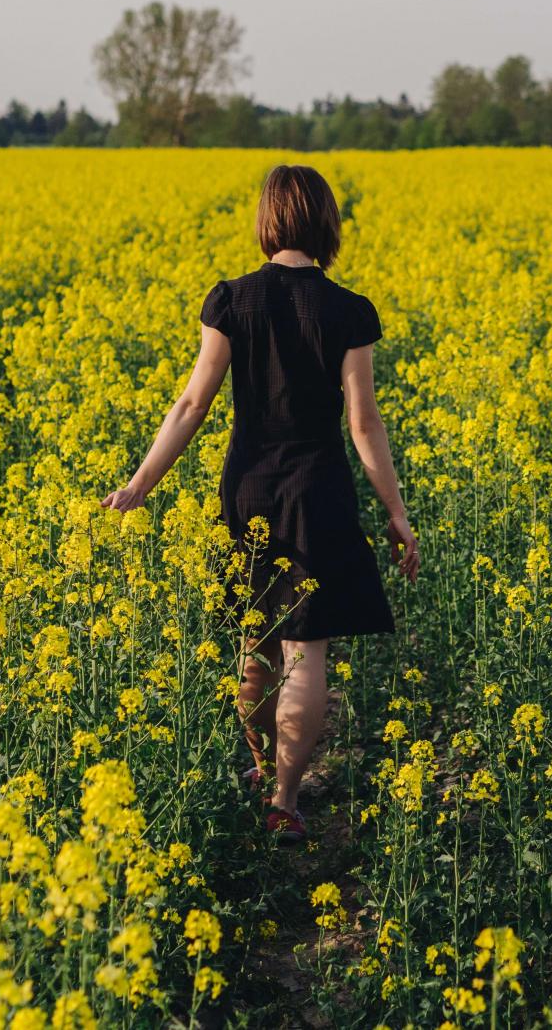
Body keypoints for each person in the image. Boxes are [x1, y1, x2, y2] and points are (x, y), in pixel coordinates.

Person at [100, 163, 420, 846]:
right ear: (327, 223)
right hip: (319, 489)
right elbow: (364, 423)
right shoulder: (348, 311)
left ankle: (256, 765)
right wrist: (396, 511)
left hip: (248, 488)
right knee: (309, 653)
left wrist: (139, 484)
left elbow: (192, 402)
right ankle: (284, 798)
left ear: (267, 221)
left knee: (257, 645)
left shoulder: (232, 300)